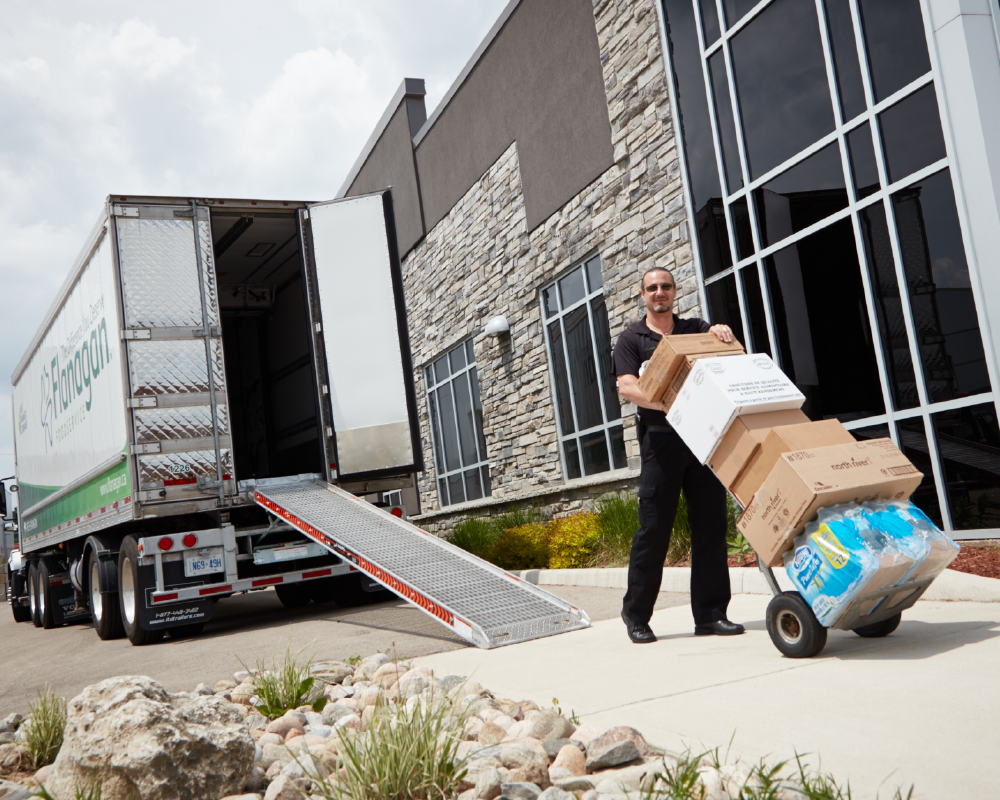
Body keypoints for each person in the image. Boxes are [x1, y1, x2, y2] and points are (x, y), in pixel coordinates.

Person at [613, 266, 745, 643]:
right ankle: (637, 616)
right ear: (643, 295)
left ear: (675, 292)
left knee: (711, 527)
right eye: (652, 288)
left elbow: (728, 357)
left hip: (701, 440)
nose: (659, 293)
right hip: (661, 441)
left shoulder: (695, 329)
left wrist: (722, 331)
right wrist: (671, 400)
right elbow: (627, 386)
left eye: (665, 286)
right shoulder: (631, 340)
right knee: (653, 530)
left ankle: (711, 614)